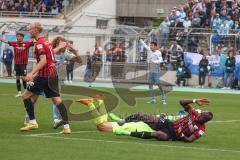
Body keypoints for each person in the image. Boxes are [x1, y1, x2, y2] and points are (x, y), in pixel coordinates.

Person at [76, 96, 213, 143]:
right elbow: (182, 102)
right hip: (165, 125)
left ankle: (96, 104)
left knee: (101, 127)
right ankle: (98, 104)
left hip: (160, 132)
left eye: (203, 117)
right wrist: (195, 100)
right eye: (201, 114)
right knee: (102, 126)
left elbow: (189, 140)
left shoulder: (200, 129)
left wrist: (182, 136)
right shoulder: (193, 114)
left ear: (205, 121)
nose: (199, 116)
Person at [20, 22, 71, 134]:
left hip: (44, 75)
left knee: (25, 96)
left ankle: (32, 122)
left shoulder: (39, 43)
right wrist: (34, 74)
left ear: (36, 30)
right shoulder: (46, 41)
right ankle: (67, 127)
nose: (29, 31)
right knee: (57, 100)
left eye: (30, 29)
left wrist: (31, 73)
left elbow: (43, 60)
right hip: (53, 75)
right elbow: (50, 55)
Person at [0, 33, 33, 97]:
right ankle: (19, 92)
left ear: (22, 37)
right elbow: (5, 41)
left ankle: (28, 86)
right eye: (17, 36)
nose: (18, 37)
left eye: (19, 36)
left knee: (23, 78)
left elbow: (34, 42)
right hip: (16, 64)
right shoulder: (14, 43)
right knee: (17, 78)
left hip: (23, 63)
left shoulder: (27, 44)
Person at [139, 39, 166, 105]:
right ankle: (153, 99)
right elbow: (145, 45)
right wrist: (140, 40)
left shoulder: (158, 52)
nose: (151, 47)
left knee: (159, 85)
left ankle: (163, 98)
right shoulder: (149, 50)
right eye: (150, 45)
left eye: (152, 45)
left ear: (155, 47)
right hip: (151, 71)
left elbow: (161, 60)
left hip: (156, 71)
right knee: (150, 86)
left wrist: (154, 62)